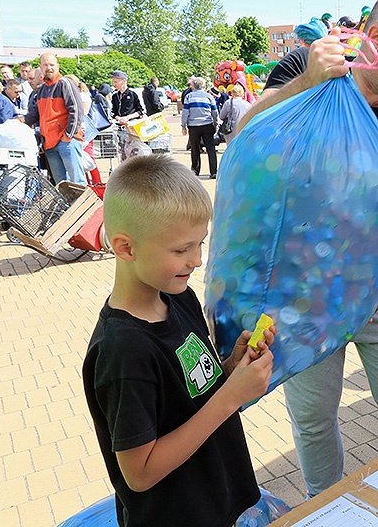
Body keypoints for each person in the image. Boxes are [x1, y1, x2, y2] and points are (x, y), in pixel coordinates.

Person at [237, 0, 378, 497]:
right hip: (305, 294)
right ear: (374, 38)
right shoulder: (307, 82)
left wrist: (365, 303)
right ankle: (324, 505)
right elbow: (245, 133)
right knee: (312, 416)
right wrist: (306, 80)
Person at [83, 154, 275, 526]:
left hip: (216, 498)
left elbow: (187, 392)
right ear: (125, 248)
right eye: (181, 250)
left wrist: (230, 369)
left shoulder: (178, 298)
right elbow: (139, 473)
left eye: (200, 244)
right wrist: (231, 395)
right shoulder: (123, 351)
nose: (197, 260)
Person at [24, 53, 86, 185]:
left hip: (66, 141)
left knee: (77, 182)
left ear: (57, 66)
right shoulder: (42, 90)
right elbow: (36, 113)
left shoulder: (65, 84)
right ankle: (68, 206)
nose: (49, 68)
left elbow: (76, 110)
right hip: (50, 143)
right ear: (40, 67)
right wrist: (20, 121)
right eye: (45, 65)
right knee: (61, 185)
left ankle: (83, 206)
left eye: (52, 64)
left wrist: (68, 135)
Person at [180, 77, 218, 178]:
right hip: (207, 124)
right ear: (204, 86)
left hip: (193, 126)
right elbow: (215, 112)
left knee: (195, 148)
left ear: (193, 86)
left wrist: (183, 126)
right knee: (210, 148)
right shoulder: (209, 97)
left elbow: (185, 112)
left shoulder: (189, 97)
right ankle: (213, 171)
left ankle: (195, 171)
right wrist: (216, 123)